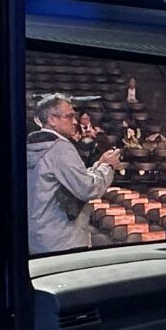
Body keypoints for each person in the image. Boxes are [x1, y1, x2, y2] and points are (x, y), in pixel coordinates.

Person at [26, 93, 121, 255]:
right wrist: (108, 167)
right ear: (52, 119)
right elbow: (87, 189)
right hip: (63, 240)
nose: (75, 121)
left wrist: (99, 164)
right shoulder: (59, 147)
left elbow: (73, 180)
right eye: (69, 116)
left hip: (39, 236)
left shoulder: (34, 145)